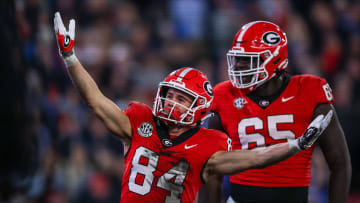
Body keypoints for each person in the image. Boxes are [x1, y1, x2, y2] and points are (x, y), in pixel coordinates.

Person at [54, 13, 333, 203]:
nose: (172, 101)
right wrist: (70, 59)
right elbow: (96, 101)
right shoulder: (139, 120)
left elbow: (253, 158)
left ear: (199, 107)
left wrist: (296, 145)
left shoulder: (208, 144)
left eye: (181, 97)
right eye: (170, 94)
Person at [208, 21, 352, 203]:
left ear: (273, 59)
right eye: (237, 59)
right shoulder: (223, 95)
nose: (238, 66)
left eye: (247, 59)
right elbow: (211, 170)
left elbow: (340, 163)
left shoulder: (308, 92)